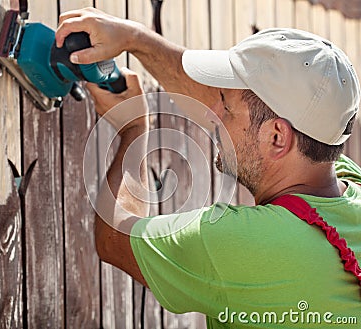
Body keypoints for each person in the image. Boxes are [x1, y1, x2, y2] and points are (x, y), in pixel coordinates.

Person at [56, 8, 361, 328]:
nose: (212, 112)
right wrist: (135, 39)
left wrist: (134, 128)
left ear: (276, 137)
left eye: (226, 108)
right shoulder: (341, 178)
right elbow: (237, 105)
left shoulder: (245, 244)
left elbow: (115, 237)